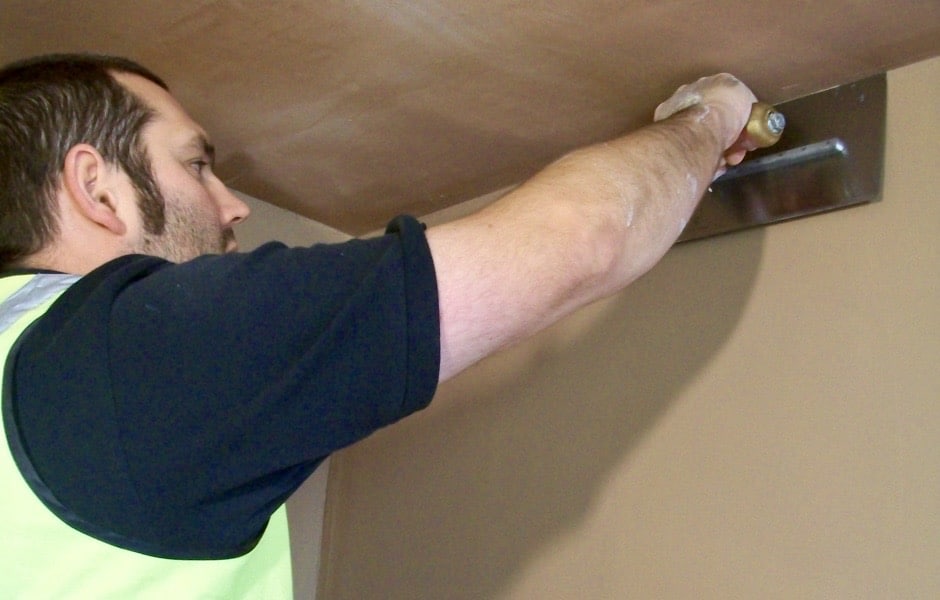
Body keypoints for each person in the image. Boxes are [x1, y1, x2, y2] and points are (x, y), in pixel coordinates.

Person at [0, 53, 758, 598]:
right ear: (96, 188)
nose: (232, 205)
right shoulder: (124, 354)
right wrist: (711, 120)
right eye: (197, 165)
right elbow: (586, 236)